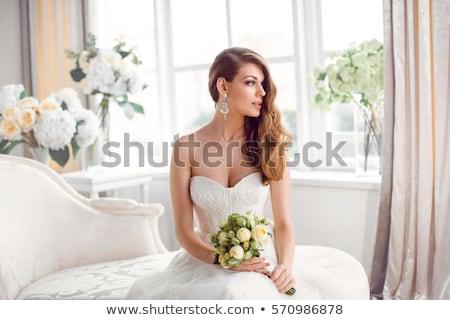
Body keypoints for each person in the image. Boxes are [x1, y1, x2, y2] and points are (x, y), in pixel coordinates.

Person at [127, 47, 369, 299]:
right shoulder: (186, 148)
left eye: (263, 84)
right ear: (223, 85)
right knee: (228, 292)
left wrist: (284, 266)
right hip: (208, 258)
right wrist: (222, 259)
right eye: (251, 82)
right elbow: (184, 231)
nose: (262, 93)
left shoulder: (271, 144)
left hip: (261, 258)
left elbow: (284, 223)